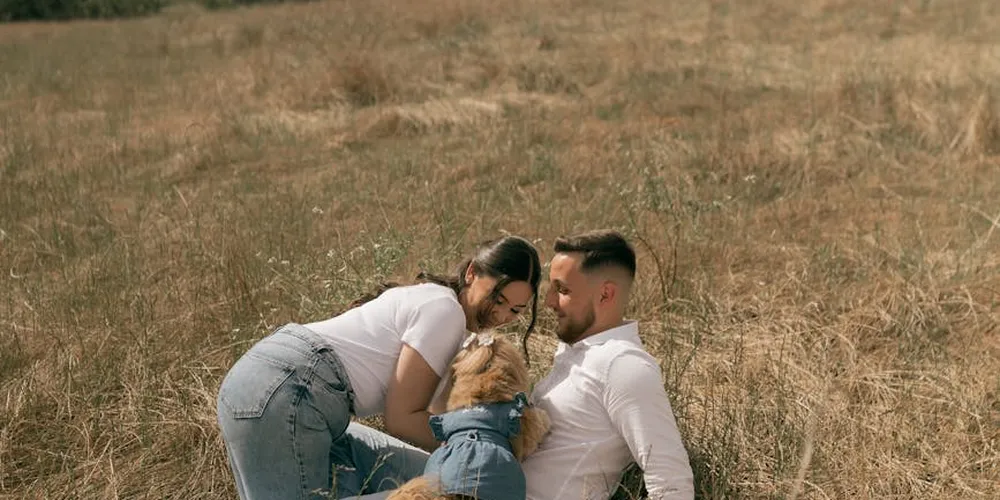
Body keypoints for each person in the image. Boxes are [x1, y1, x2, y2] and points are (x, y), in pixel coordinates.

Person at [216, 235, 542, 500]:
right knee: (447, 484)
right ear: (471, 273)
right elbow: (401, 419)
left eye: (515, 310)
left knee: (436, 481)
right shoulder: (446, 311)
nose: (502, 315)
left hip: (265, 381)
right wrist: (476, 448)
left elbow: (433, 416)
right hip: (291, 388)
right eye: (497, 298)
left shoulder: (435, 304)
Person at [522, 229, 695, 500]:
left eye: (562, 290)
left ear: (605, 294)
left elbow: (671, 482)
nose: (549, 302)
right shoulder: (577, 353)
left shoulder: (623, 365)